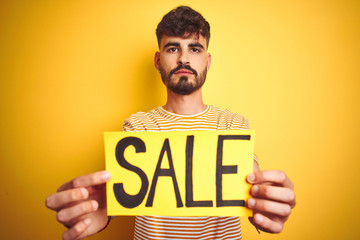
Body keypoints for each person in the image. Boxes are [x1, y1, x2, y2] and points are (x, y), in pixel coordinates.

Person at [45, 6, 296, 240]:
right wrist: (105, 207)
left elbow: (251, 182)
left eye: (194, 49)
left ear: (207, 62)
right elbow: (124, 188)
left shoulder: (232, 124)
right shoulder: (138, 126)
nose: (183, 59)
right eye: (173, 48)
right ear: (158, 60)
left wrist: (265, 204)